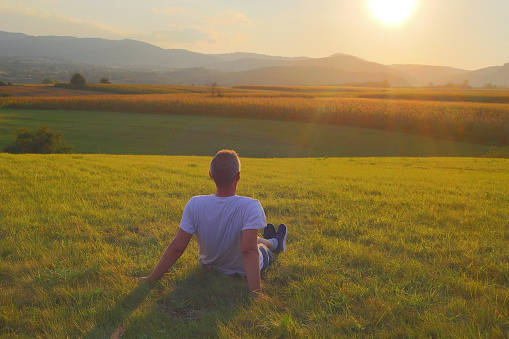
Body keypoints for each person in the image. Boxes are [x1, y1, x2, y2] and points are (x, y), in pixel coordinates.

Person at [139, 149, 287, 299]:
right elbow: (249, 250)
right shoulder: (250, 206)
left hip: (209, 268)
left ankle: (273, 240)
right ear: (238, 176)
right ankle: (275, 242)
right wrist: (256, 294)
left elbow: (177, 247)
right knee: (260, 248)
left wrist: (151, 278)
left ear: (210, 175)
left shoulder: (195, 204)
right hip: (243, 270)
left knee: (247, 240)